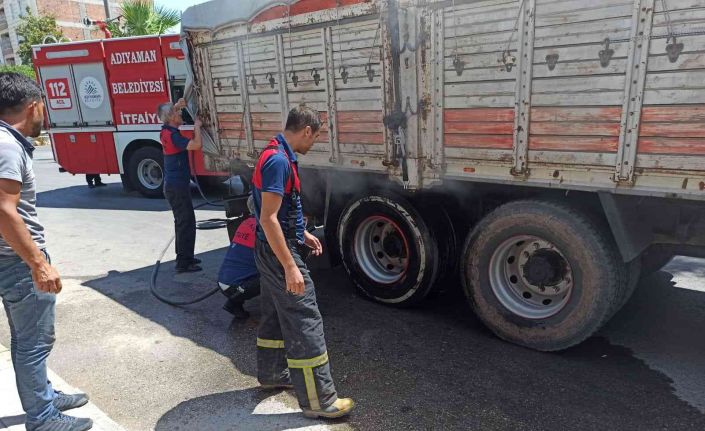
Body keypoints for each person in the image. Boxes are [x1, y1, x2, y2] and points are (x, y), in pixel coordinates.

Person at [0, 72, 93, 431]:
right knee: (34, 342)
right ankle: (43, 418)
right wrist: (38, 264)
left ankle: (44, 397)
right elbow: (5, 210)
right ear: (32, 105)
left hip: (10, 258)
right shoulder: (7, 146)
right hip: (17, 260)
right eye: (44, 107)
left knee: (28, 339)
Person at [252, 105, 354, 419]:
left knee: (274, 311)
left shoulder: (275, 153)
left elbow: (280, 213)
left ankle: (271, 374)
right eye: (316, 137)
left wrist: (303, 234)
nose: (314, 144)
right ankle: (319, 400)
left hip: (273, 246)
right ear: (306, 130)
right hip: (276, 251)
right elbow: (269, 219)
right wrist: (290, 265)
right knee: (304, 319)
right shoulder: (279, 161)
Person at [157, 98, 203, 273]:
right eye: (177, 113)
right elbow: (196, 145)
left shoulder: (166, 130)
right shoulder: (173, 136)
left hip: (174, 185)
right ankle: (184, 263)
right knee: (186, 223)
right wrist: (196, 126)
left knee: (183, 222)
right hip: (176, 187)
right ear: (171, 117)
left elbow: (168, 117)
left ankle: (185, 257)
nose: (180, 114)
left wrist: (176, 106)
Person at [217, 196, 260, 320]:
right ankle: (273, 312)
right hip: (235, 286)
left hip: (223, 281)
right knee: (272, 275)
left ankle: (234, 303)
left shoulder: (245, 223)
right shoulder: (261, 228)